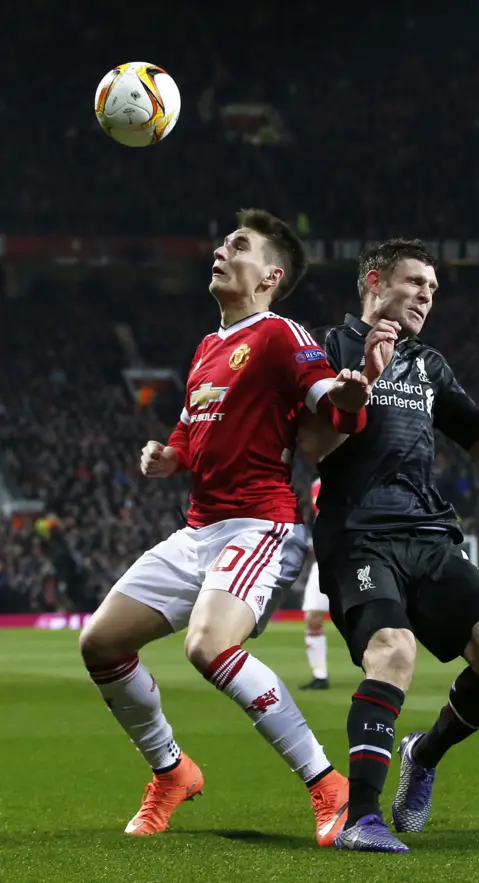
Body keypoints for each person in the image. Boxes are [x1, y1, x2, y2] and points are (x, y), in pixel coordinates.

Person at [79, 209, 388, 846]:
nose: (221, 250)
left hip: (261, 524)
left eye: (238, 245)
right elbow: (195, 426)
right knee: (100, 644)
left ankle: (327, 785)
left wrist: (353, 395)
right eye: (222, 242)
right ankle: (171, 771)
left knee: (207, 645)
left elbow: (325, 395)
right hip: (199, 532)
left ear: (271, 275)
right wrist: (170, 454)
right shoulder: (208, 345)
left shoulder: (278, 332)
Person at [298, 238, 479, 853]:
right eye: (416, 282)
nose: (428, 295)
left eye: (433, 287)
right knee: (393, 650)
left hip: (429, 533)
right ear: (375, 281)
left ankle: (424, 754)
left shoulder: (428, 364)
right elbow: (311, 445)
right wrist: (367, 380)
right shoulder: (324, 348)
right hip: (358, 535)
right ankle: (362, 819)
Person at [300, 478, 330, 690]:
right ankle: (320, 676)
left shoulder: (355, 475)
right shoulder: (317, 484)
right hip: (323, 561)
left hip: (353, 558)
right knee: (312, 617)